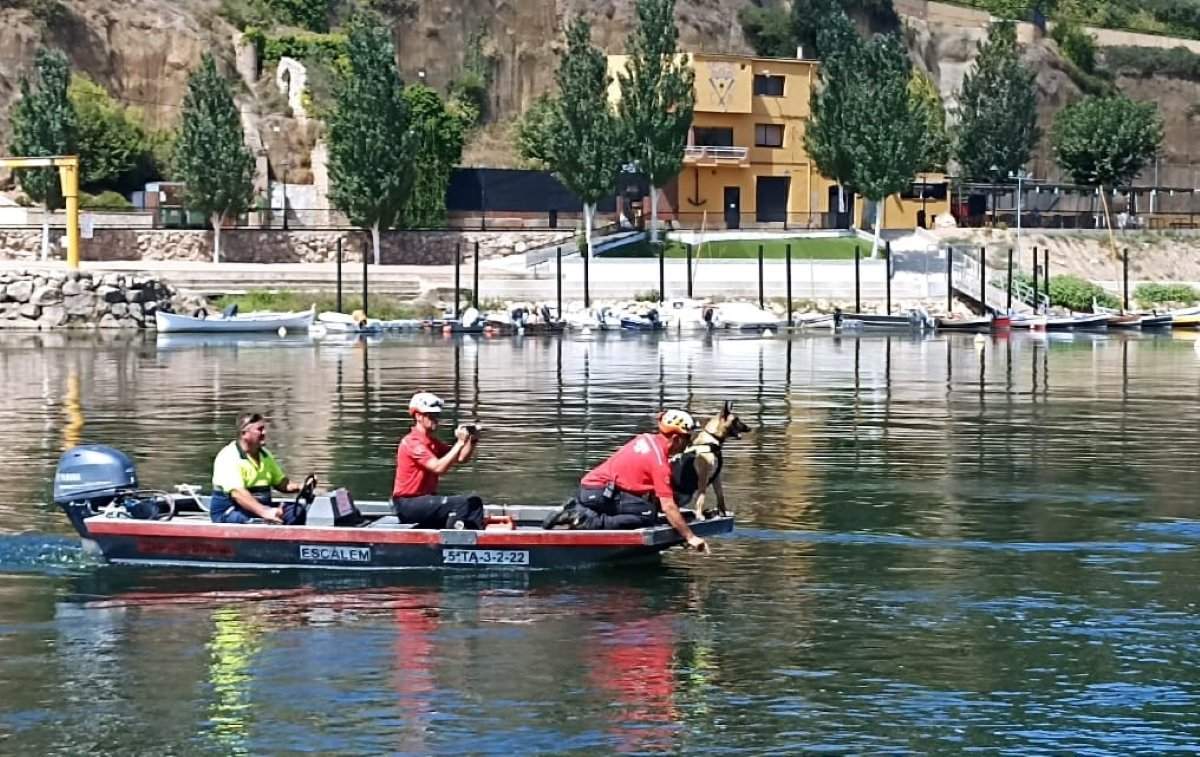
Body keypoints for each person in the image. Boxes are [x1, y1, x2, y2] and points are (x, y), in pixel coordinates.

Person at [546, 409, 708, 552]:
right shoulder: (659, 462)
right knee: (647, 514)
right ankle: (585, 520)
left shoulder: (645, 439)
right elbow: (668, 506)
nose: (689, 444)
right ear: (676, 438)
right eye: (687, 439)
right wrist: (689, 536)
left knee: (646, 507)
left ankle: (580, 511)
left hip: (590, 490)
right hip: (600, 493)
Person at [391, 391, 485, 530]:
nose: (435, 419)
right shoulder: (412, 442)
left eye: (437, 415)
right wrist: (459, 442)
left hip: (425, 500)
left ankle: (477, 537)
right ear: (418, 416)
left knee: (474, 502)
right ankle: (456, 541)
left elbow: (460, 458)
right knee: (460, 503)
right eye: (431, 415)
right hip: (407, 504)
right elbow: (438, 468)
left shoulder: (432, 442)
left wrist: (472, 440)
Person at [210, 412, 309, 524]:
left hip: (260, 509)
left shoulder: (265, 455)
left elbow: (281, 483)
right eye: (260, 429)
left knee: (297, 511)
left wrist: (300, 487)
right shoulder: (228, 456)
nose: (264, 432)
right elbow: (238, 494)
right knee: (245, 521)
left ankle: (288, 539)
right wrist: (265, 512)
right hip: (231, 512)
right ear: (244, 434)